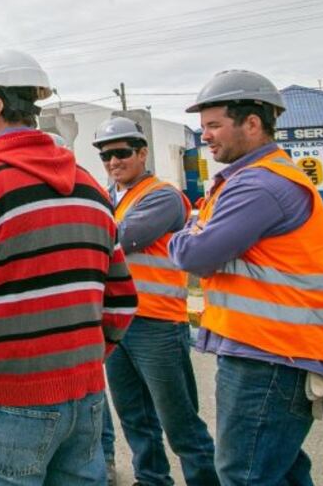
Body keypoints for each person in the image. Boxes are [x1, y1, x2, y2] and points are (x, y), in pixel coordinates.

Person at [0, 49, 138, 485]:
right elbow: (122, 301)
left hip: (0, 405)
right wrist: (78, 365)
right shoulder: (90, 187)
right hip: (86, 403)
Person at [169, 70, 323, 485]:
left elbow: (194, 254)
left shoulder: (260, 185)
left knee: (243, 473)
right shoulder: (255, 179)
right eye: (203, 127)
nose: (205, 136)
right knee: (280, 471)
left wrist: (186, 235)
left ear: (252, 123)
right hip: (274, 351)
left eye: (214, 125)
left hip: (267, 355)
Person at [93, 117, 218, 486]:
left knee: (179, 422)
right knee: (135, 417)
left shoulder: (162, 196)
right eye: (106, 155)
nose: (114, 162)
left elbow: (118, 237)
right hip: (118, 322)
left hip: (157, 323)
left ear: (142, 152)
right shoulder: (109, 197)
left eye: (121, 153)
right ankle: (151, 480)